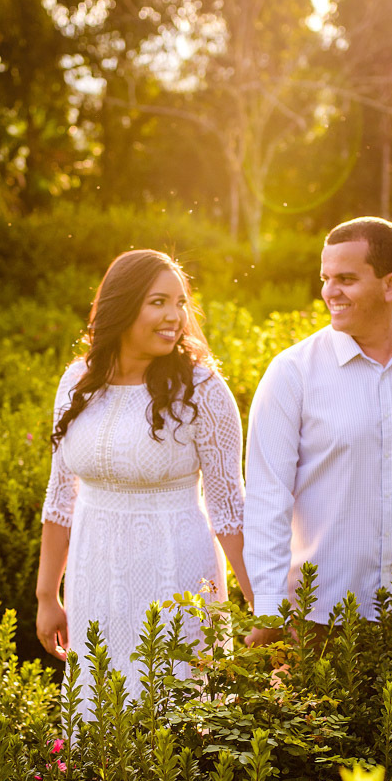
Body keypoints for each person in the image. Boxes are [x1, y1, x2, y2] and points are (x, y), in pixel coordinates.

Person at [243, 217, 392, 643]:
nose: (330, 291)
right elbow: (267, 497)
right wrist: (269, 610)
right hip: (313, 622)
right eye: (326, 278)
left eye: (347, 279)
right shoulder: (292, 373)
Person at [36, 249, 251, 708]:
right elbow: (59, 498)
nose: (175, 315)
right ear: (121, 305)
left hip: (178, 580)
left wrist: (262, 606)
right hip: (92, 580)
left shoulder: (202, 389)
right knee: (100, 719)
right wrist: (46, 595)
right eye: (158, 302)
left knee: (179, 730)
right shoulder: (77, 381)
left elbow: (229, 509)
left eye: (180, 302)